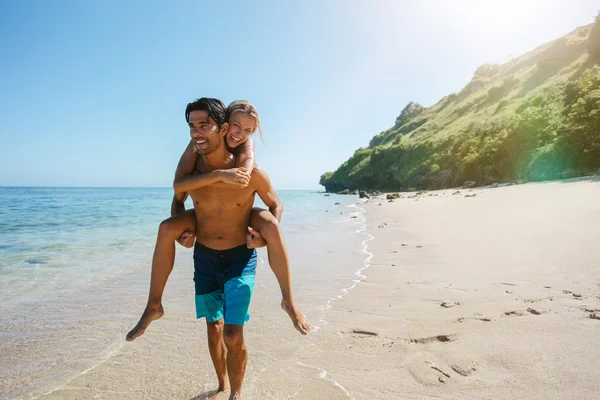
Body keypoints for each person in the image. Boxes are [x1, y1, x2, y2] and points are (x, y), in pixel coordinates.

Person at [128, 98, 307, 399]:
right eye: (192, 126)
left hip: (239, 257)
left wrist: (261, 238)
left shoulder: (249, 171)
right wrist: (181, 232)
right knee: (213, 326)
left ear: (219, 129)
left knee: (232, 333)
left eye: (203, 125)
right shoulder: (194, 165)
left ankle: (238, 389)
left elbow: (276, 202)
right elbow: (178, 193)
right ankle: (156, 308)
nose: (197, 132)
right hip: (206, 257)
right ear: (227, 128)